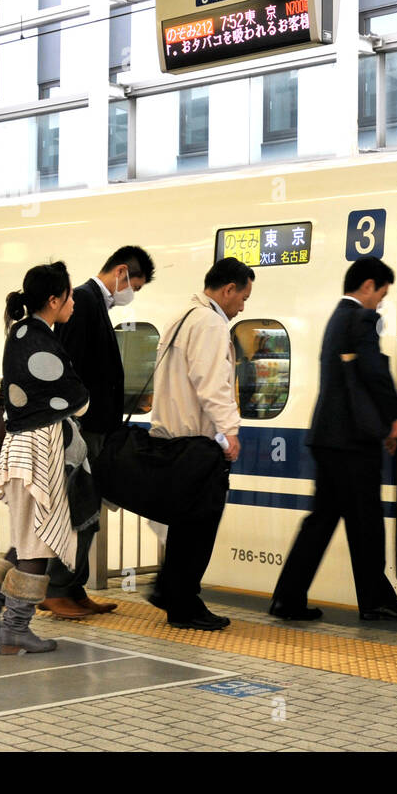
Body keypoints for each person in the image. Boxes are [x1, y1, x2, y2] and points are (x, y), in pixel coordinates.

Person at [269, 258, 397, 622]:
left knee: (323, 520)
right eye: (381, 295)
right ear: (368, 285)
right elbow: (372, 370)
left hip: (329, 438)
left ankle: (288, 599)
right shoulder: (361, 318)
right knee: (366, 520)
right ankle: (375, 601)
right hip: (353, 443)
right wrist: (394, 416)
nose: (380, 303)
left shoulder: (338, 317)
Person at [0, 262, 92, 655]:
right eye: (69, 296)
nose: (73, 302)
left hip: (20, 447)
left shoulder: (20, 333)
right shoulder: (39, 339)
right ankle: (16, 628)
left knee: (26, 539)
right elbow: (79, 399)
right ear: (53, 300)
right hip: (38, 450)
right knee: (37, 545)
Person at [43, 246, 155, 618]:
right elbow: (70, 365)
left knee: (88, 512)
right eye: (134, 285)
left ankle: (74, 589)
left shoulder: (95, 305)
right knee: (80, 510)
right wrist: (82, 416)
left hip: (95, 427)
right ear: (121, 272)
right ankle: (58, 590)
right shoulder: (86, 301)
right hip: (83, 429)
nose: (132, 294)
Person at [145, 258, 251, 630]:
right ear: (228, 290)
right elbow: (212, 383)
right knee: (200, 525)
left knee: (186, 523)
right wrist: (230, 430)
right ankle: (184, 604)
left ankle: (171, 592)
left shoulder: (183, 315)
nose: (243, 306)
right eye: (243, 297)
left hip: (174, 438)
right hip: (197, 444)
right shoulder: (210, 323)